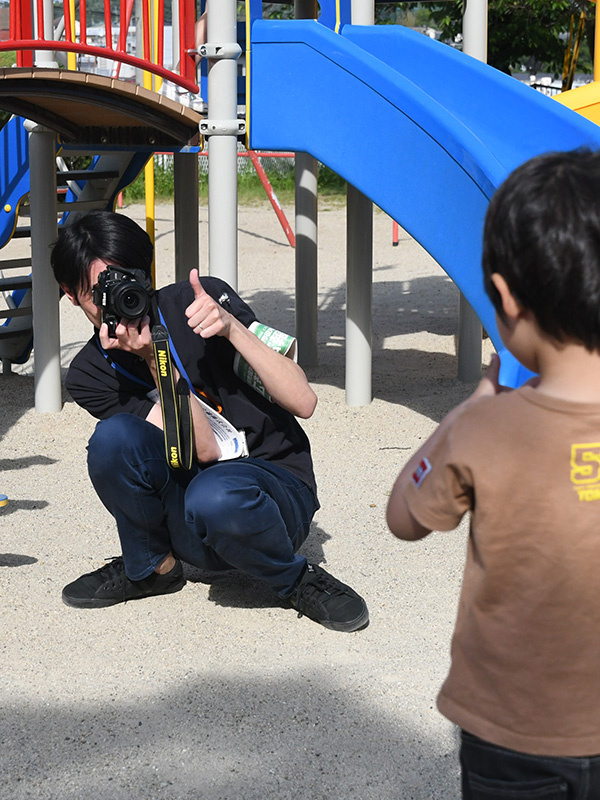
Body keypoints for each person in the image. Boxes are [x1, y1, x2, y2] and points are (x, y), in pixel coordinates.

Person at [386, 149, 600, 797]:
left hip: (512, 738)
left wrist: (471, 408)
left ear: (504, 296)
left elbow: (404, 515)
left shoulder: (486, 430)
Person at [51, 209, 368, 633]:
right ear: (70, 295)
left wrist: (233, 328)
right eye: (99, 294)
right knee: (113, 440)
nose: (120, 298)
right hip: (192, 512)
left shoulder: (199, 303)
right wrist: (153, 358)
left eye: (128, 279)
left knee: (216, 494)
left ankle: (295, 579)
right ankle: (153, 569)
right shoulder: (90, 375)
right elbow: (202, 450)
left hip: (275, 495)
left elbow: (304, 400)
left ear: (145, 273)